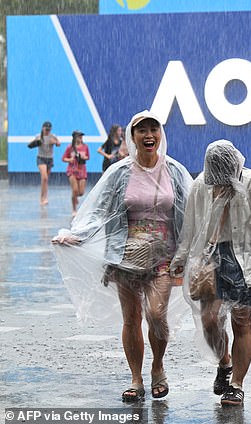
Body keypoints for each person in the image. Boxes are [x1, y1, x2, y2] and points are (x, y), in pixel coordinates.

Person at [52, 110, 193, 402]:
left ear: (161, 134)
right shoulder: (119, 172)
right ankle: (136, 378)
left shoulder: (175, 171)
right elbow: (100, 211)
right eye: (142, 130)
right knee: (131, 318)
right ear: (133, 136)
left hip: (164, 258)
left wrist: (203, 246)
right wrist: (76, 235)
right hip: (124, 256)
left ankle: (157, 366)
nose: (149, 135)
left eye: (154, 129)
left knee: (156, 316)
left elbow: (192, 213)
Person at [171, 140, 251, 407]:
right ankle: (224, 363)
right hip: (212, 259)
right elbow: (191, 226)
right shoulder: (201, 185)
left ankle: (236, 385)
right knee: (210, 320)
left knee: (242, 323)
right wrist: (181, 258)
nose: (220, 183)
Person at [61, 130, 90, 216]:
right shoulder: (70, 147)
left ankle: (75, 196)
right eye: (78, 136)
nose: (80, 138)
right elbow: (63, 158)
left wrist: (84, 157)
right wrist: (70, 159)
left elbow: (88, 157)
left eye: (81, 136)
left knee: (81, 192)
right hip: (72, 170)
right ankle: (74, 209)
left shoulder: (85, 147)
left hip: (82, 170)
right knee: (75, 190)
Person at [34, 121, 61, 205]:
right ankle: (42, 198)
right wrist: (38, 142)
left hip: (49, 158)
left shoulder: (52, 136)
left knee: (45, 180)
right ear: (43, 128)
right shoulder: (38, 136)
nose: (47, 131)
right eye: (46, 129)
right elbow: (33, 144)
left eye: (49, 130)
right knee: (44, 177)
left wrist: (55, 142)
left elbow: (59, 143)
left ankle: (45, 196)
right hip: (41, 158)